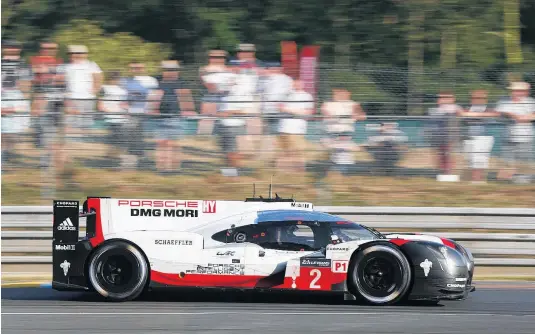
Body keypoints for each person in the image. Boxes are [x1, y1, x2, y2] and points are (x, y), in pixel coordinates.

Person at [153, 60, 196, 173]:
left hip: (176, 117)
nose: (170, 72)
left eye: (173, 70)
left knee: (174, 144)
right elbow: (154, 97)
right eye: (167, 70)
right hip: (160, 118)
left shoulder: (181, 83)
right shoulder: (158, 82)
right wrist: (153, 109)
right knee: (161, 143)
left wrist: (189, 110)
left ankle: (173, 168)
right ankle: (161, 168)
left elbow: (185, 97)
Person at [495, 82, 535, 182]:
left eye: (519, 91)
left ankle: (522, 179)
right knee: (507, 160)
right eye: (514, 90)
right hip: (508, 135)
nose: (516, 93)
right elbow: (499, 112)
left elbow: (531, 116)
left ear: (525, 92)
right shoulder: (504, 101)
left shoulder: (530, 102)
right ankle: (507, 179)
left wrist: (524, 117)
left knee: (523, 159)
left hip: (525, 136)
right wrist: (513, 115)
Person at [1, 40, 32, 167]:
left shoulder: (24, 65)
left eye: (14, 47)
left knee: (11, 134)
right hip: (3, 97)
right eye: (8, 47)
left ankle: (5, 157)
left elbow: (26, 86)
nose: (11, 49)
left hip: (16, 98)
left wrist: (21, 104)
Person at [461, 90, 500, 183]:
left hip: (483, 137)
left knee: (479, 159)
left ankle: (478, 180)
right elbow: (462, 114)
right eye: (474, 98)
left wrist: (476, 115)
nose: (477, 100)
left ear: (484, 99)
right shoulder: (468, 108)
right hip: (470, 137)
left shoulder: (488, 108)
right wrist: (480, 116)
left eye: (480, 98)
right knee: (470, 159)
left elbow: (495, 114)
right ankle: (474, 179)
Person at [276, 79, 314, 172]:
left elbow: (308, 113)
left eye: (299, 84)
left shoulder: (306, 96)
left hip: (297, 129)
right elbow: (279, 107)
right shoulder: (286, 95)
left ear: (303, 85)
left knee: (297, 151)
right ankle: (284, 172)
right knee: (284, 151)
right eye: (295, 84)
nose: (296, 85)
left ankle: (300, 172)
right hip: (284, 127)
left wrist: (287, 110)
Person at [427, 91, 464, 181]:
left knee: (449, 153)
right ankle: (442, 171)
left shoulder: (455, 107)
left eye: (446, 97)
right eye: (441, 97)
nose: (443, 99)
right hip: (439, 135)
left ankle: (449, 172)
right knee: (441, 154)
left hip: (451, 135)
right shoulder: (437, 109)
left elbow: (460, 113)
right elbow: (433, 118)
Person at [97, 71, 130, 169]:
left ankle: (114, 158)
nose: (116, 80)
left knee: (119, 139)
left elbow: (124, 104)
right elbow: (100, 105)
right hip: (111, 118)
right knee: (114, 139)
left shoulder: (123, 90)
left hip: (121, 118)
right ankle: (110, 159)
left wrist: (126, 111)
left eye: (117, 78)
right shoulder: (104, 88)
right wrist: (108, 111)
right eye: (115, 78)